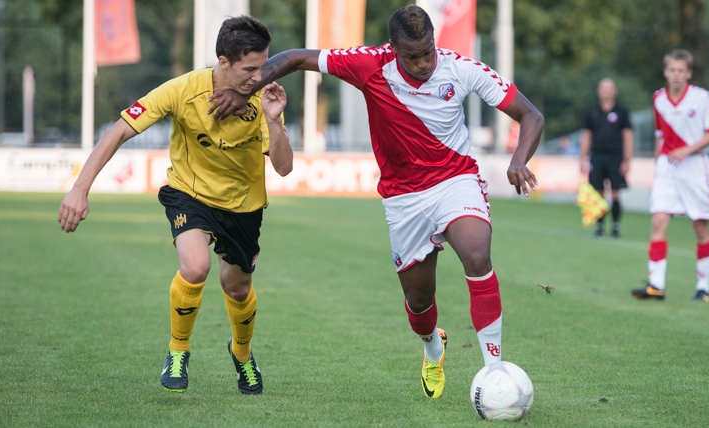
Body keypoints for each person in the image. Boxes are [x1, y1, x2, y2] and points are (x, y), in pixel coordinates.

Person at [209, 5, 544, 399]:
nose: (422, 63)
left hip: (456, 181)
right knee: (419, 304)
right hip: (403, 199)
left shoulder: (461, 68)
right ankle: (433, 347)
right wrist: (242, 87)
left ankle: (494, 373)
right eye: (412, 56)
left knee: (476, 255)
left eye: (428, 52)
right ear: (394, 48)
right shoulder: (369, 64)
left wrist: (519, 159)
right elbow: (297, 58)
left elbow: (530, 115)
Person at [57, 16, 293, 394]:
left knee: (237, 288)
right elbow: (119, 130)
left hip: (244, 206)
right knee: (195, 266)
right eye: (249, 68)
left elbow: (283, 168)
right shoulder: (183, 90)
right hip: (190, 193)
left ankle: (243, 354)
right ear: (223, 61)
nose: (258, 76)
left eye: (263, 66)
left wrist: (274, 120)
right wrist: (79, 189)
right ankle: (178, 349)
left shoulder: (265, 98)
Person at [632, 49, 709, 303]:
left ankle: (703, 288)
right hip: (668, 167)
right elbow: (661, 135)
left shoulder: (701, 98)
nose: (676, 75)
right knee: (658, 221)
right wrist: (658, 166)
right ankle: (656, 286)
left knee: (700, 226)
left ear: (689, 73)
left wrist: (686, 150)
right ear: (665, 71)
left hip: (693, 165)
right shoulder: (658, 98)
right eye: (672, 70)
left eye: (681, 70)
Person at [579, 78, 634, 238]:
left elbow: (628, 136)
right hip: (597, 156)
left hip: (616, 156)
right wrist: (582, 158)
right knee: (598, 193)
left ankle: (616, 227)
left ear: (615, 91)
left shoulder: (621, 112)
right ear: (598, 91)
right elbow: (587, 136)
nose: (606, 91)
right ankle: (600, 227)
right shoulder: (592, 112)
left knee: (615, 192)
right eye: (603, 88)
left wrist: (627, 159)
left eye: (609, 88)